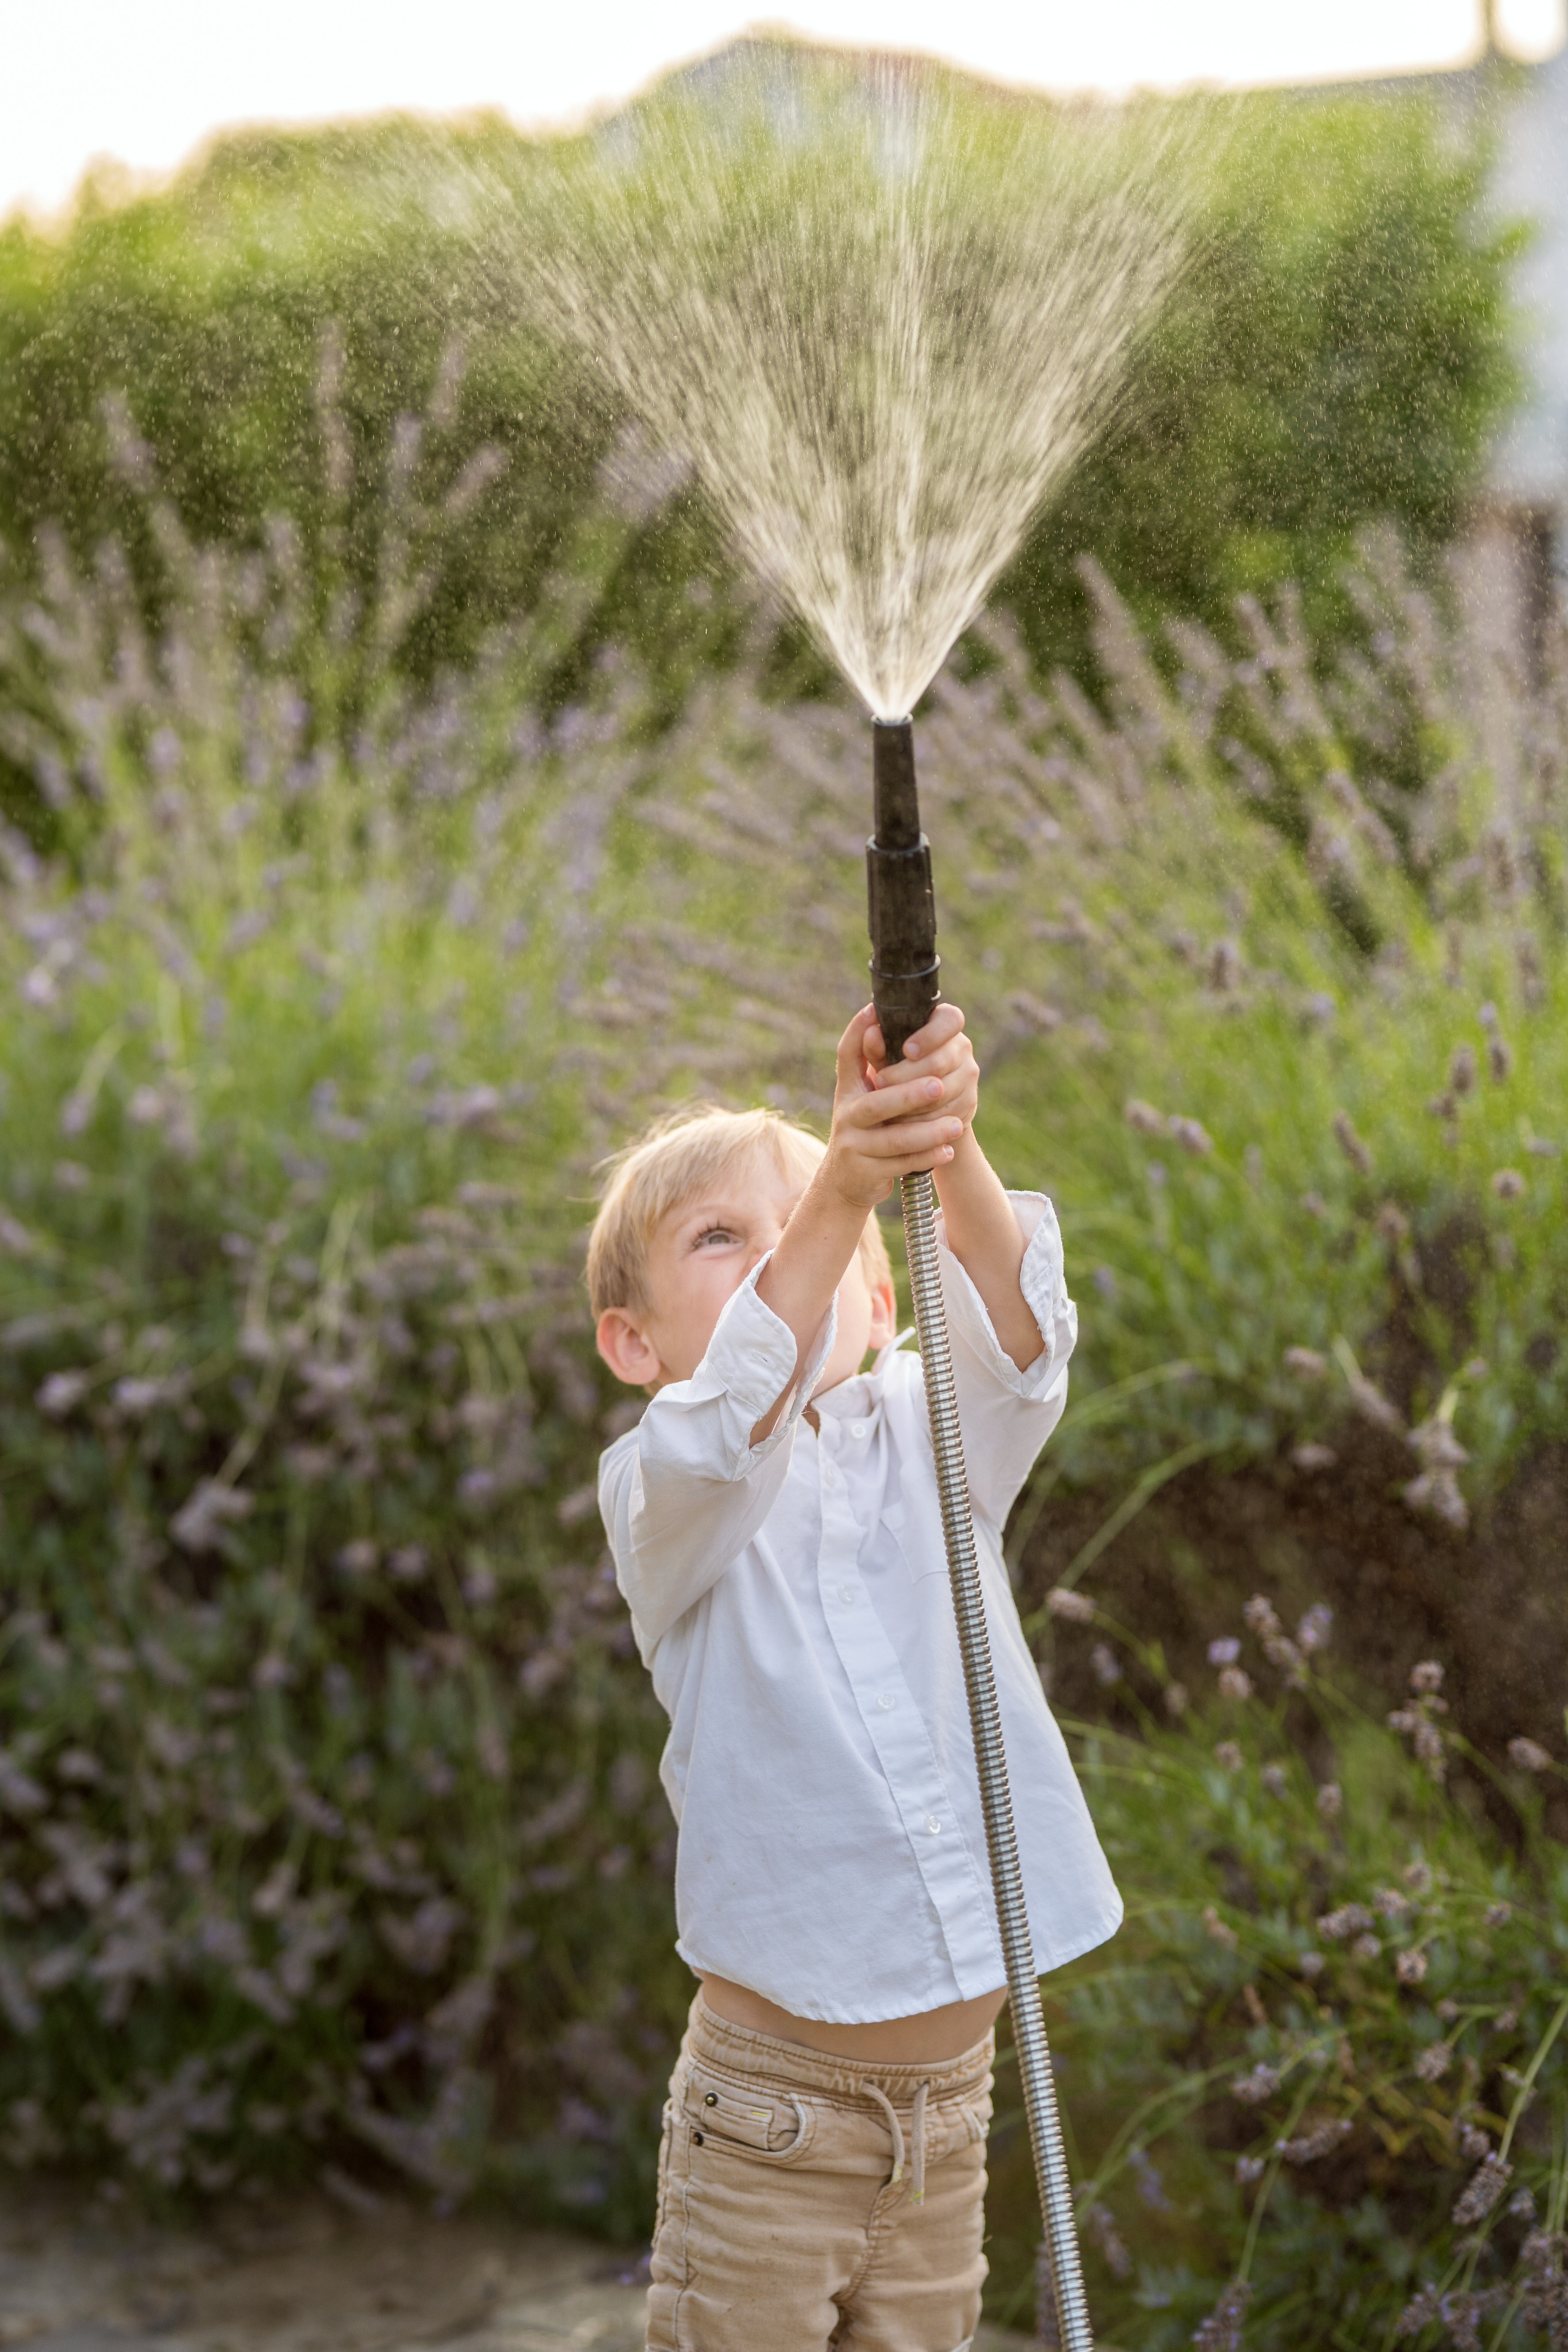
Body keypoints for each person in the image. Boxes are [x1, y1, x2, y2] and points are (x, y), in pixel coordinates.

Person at [590, 1001, 1121, 2352]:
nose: (782, 1260)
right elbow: (727, 1426)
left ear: (885, 1303)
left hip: (951, 2116)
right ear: (634, 1344)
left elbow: (1021, 1331)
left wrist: (942, 1144)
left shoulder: (927, 1429)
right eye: (721, 1241)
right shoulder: (665, 1492)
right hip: (768, 2120)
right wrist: (836, 1184)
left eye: (819, 1245)